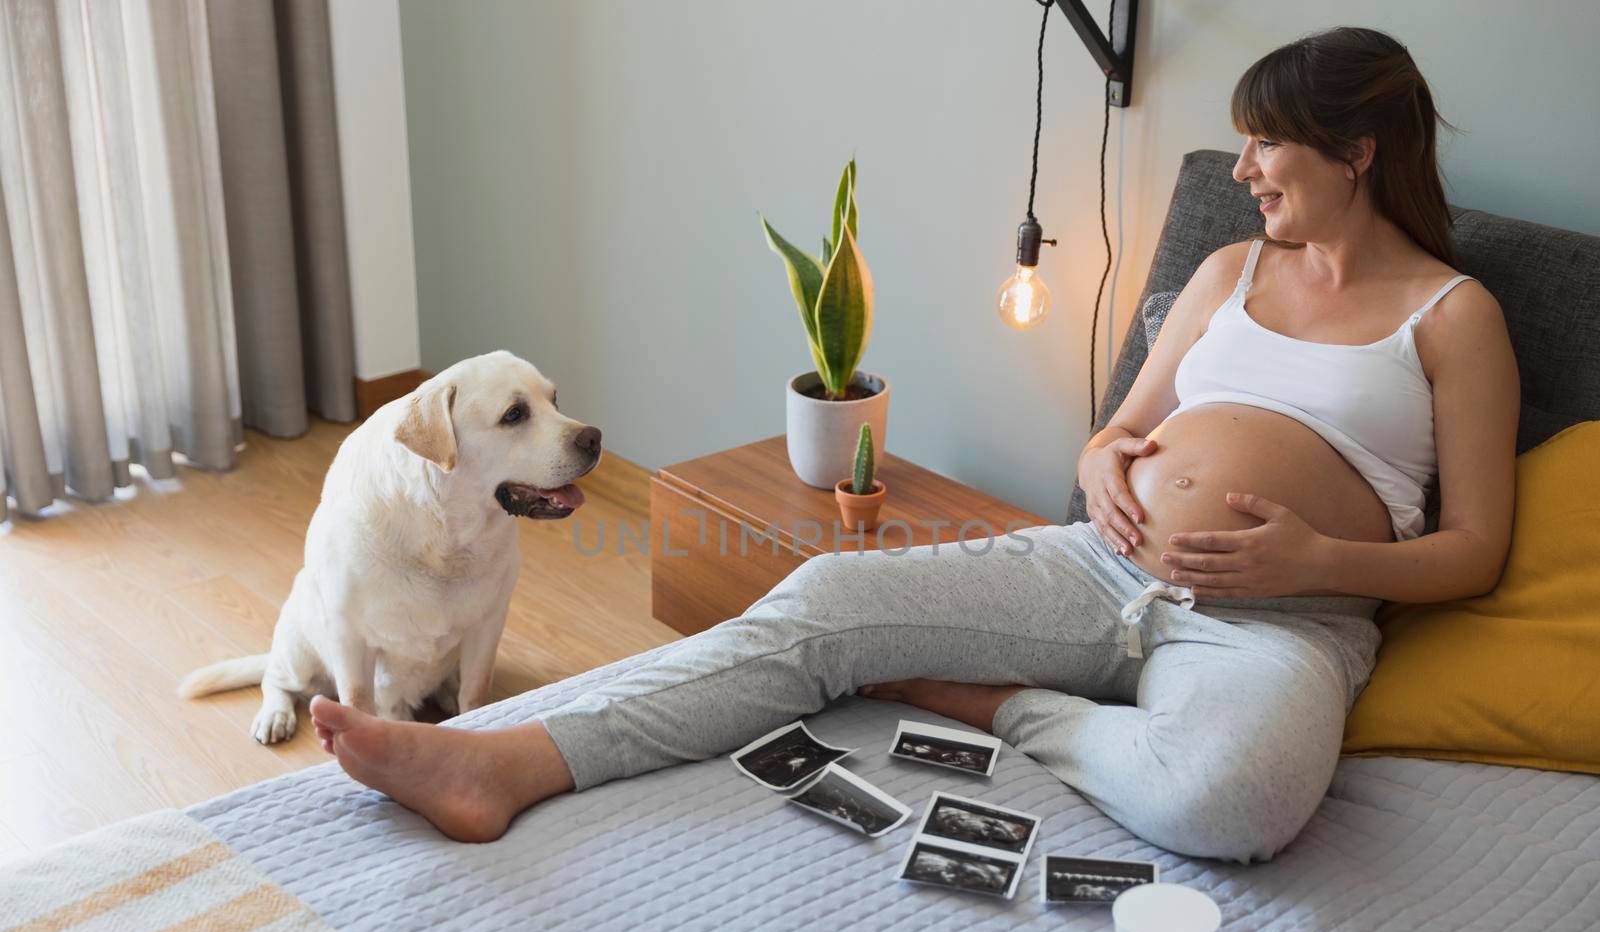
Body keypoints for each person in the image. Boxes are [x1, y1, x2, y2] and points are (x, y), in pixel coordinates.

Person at [307, 27, 1518, 864]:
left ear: (1355, 151)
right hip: (1098, 560)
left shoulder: (1452, 317)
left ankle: (989, 701)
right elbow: (1118, 427)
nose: (1243, 167)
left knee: (1228, 800)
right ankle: (507, 760)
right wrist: (1102, 462)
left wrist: (1312, 558)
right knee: (826, 593)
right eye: (1242, 142)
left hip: (1284, 621)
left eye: (1268, 145)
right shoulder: (1226, 269)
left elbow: (1473, 550)